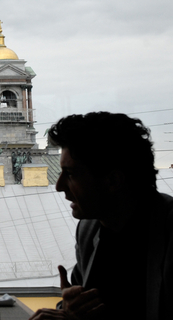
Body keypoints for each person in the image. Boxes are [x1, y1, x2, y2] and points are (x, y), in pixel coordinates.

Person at [30, 112, 173, 320]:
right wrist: (67, 311)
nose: (59, 186)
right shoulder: (89, 228)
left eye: (70, 174)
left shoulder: (168, 234)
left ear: (113, 181)